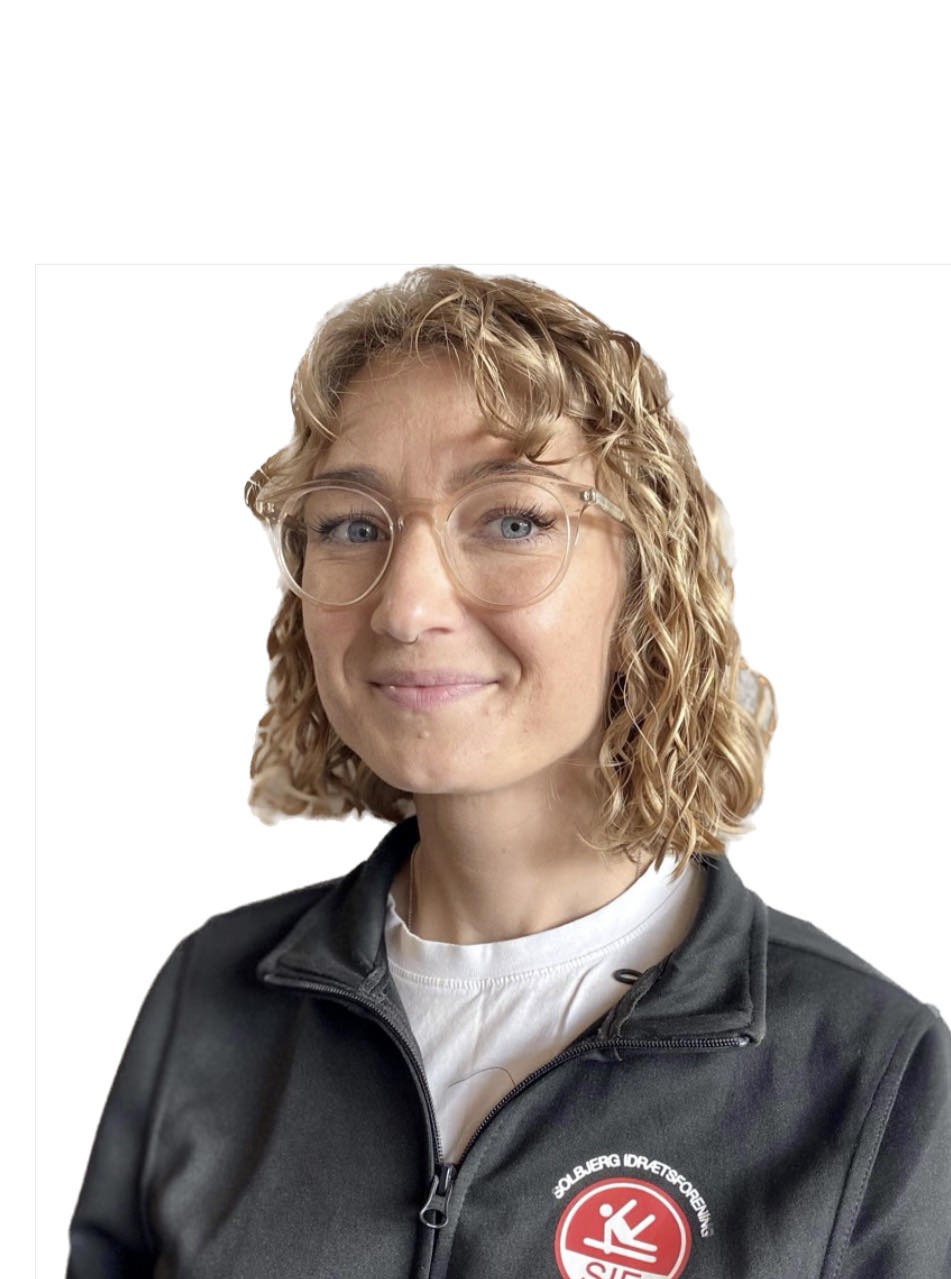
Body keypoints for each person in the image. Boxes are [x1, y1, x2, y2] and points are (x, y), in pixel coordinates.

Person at [66, 266, 950, 1277]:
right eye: (352, 524)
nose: (406, 606)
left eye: (512, 519)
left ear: (648, 576)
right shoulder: (210, 998)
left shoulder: (869, 1076)